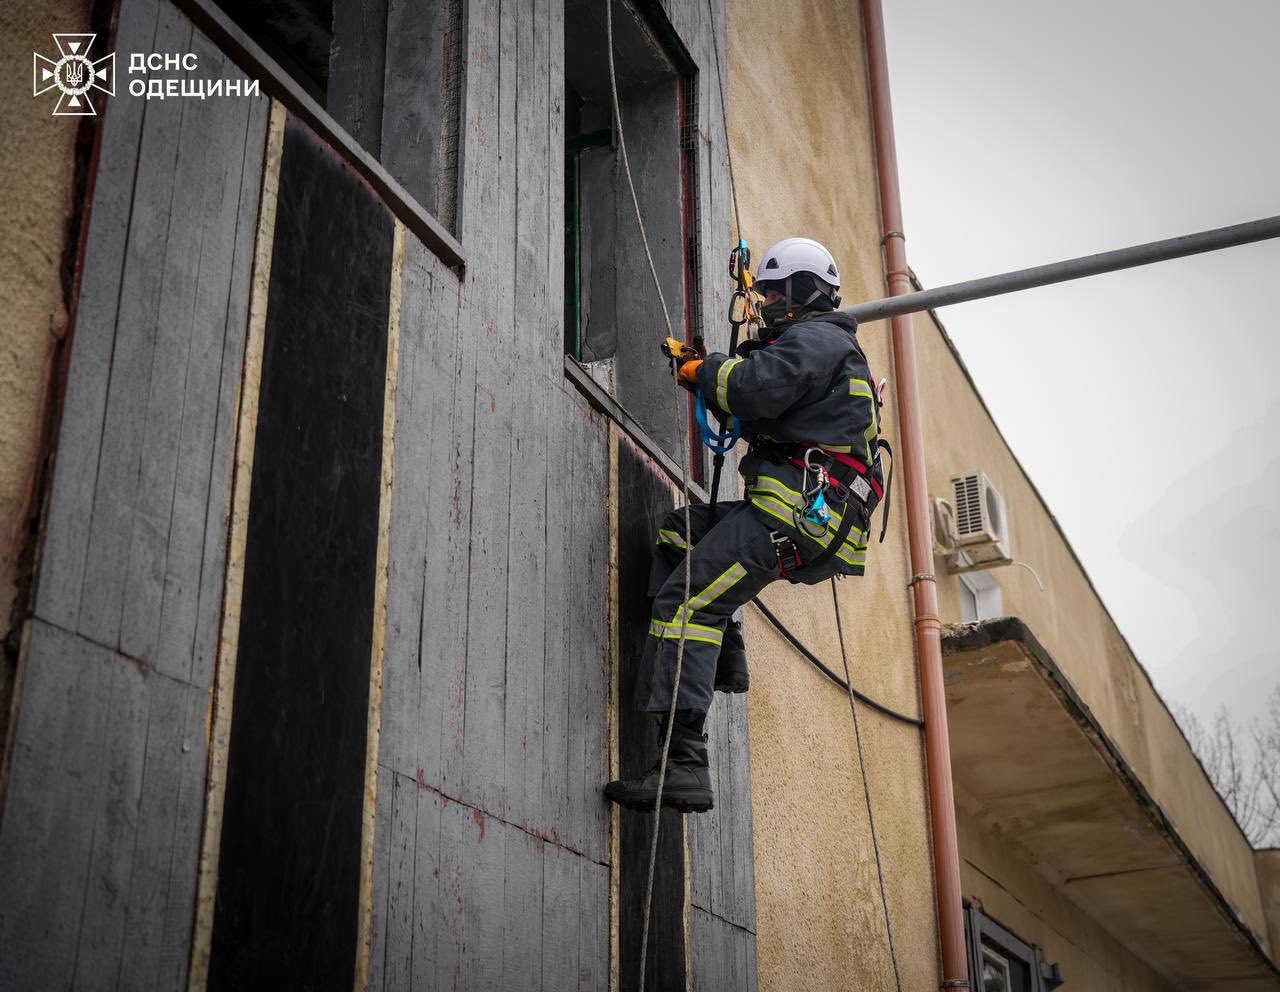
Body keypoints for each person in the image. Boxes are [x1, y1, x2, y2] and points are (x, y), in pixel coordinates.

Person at [604, 237, 888, 813]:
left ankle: (683, 765)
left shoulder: (818, 338)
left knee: (686, 604)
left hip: (793, 514)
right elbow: (755, 401)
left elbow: (753, 390)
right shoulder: (822, 349)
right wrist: (703, 374)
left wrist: (705, 369)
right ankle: (723, 658)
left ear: (801, 292)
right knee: (681, 533)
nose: (764, 303)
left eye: (773, 292)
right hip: (806, 520)